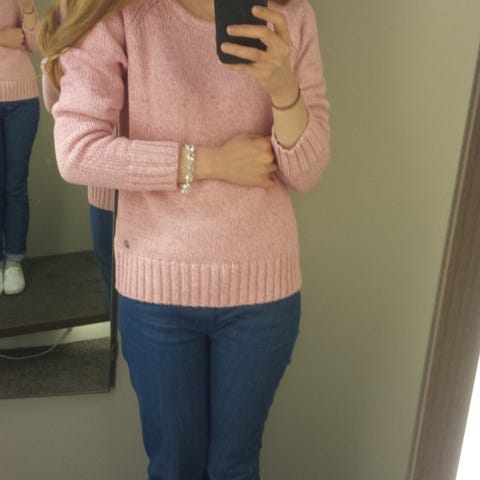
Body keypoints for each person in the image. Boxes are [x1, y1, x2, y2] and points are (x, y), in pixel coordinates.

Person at [38, 0, 330, 478]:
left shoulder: (291, 13)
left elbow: (307, 171)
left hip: (262, 292)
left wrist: (282, 86)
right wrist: (212, 163)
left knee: (236, 467)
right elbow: (77, 150)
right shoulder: (124, 12)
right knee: (174, 467)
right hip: (157, 291)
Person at [39, 0, 115, 308]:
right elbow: (57, 102)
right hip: (109, 189)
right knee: (121, 302)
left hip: (141, 193)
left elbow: (55, 100)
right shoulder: (77, 10)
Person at [0, 0, 40, 295]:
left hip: (23, 100)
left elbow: (35, 44)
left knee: (15, 184)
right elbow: (11, 38)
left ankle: (13, 260)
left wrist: (27, 9)